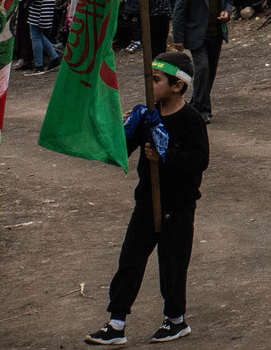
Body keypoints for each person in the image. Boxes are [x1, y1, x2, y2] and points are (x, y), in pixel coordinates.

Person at [82, 50, 209, 347]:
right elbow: (122, 150)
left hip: (177, 206)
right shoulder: (147, 116)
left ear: (177, 86)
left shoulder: (191, 120)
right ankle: (116, 322)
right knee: (130, 260)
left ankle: (176, 320)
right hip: (146, 202)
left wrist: (165, 155)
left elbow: (200, 160)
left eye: (156, 79)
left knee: (172, 264)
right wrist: (123, 124)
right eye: (148, 79)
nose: (150, 85)